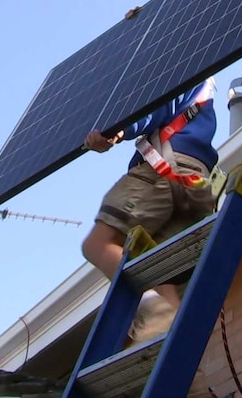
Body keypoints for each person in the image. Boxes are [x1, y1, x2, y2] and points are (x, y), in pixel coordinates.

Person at [81, 77, 218, 318]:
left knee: (97, 244)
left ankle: (156, 315)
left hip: (164, 170)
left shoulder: (187, 66)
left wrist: (119, 128)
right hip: (196, 186)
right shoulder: (204, 83)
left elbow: (161, 103)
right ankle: (174, 322)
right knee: (158, 272)